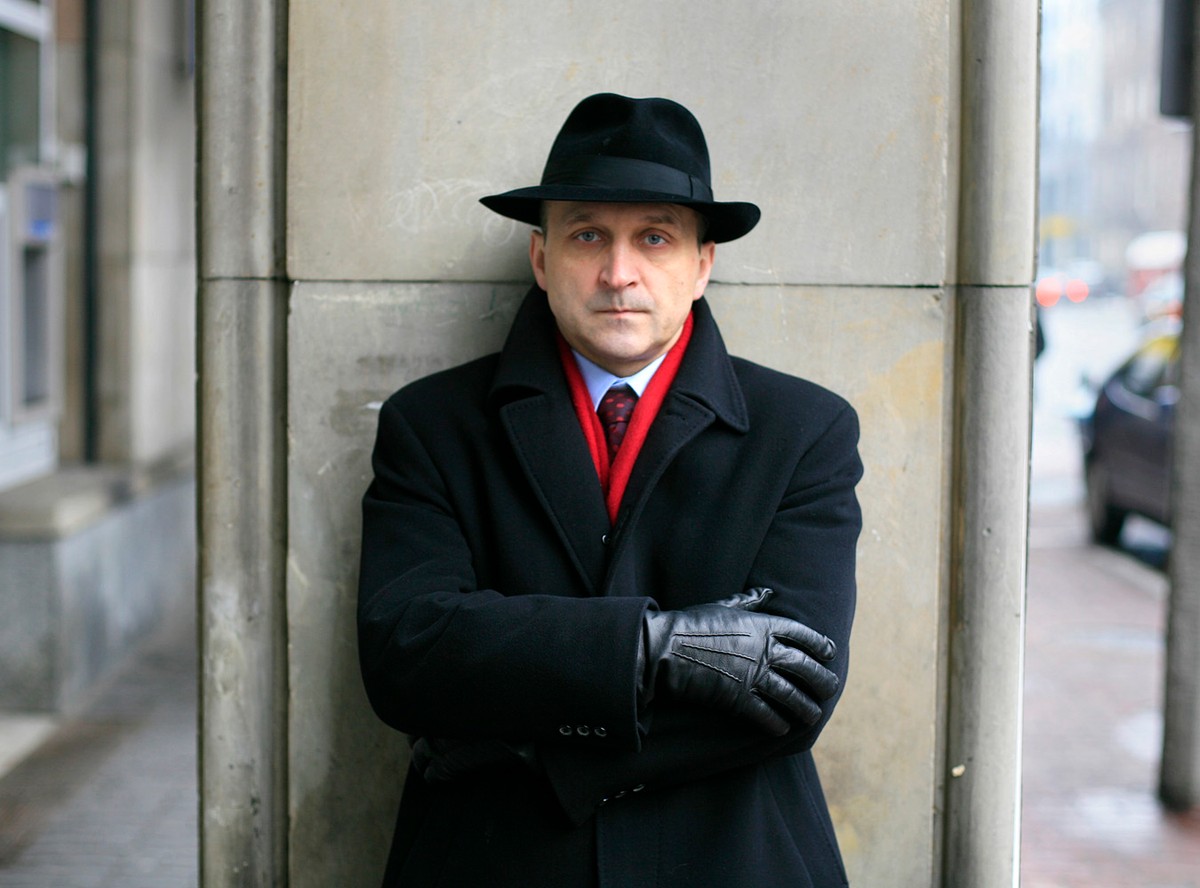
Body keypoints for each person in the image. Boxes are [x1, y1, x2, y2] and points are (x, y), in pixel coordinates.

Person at [357, 92, 863, 887]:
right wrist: (655, 648)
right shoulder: (433, 424)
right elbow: (407, 652)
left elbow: (798, 692)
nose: (618, 273)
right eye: (587, 234)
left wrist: (527, 749)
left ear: (702, 265)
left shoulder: (804, 430)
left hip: (730, 859)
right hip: (497, 866)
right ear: (541, 257)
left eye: (654, 237)